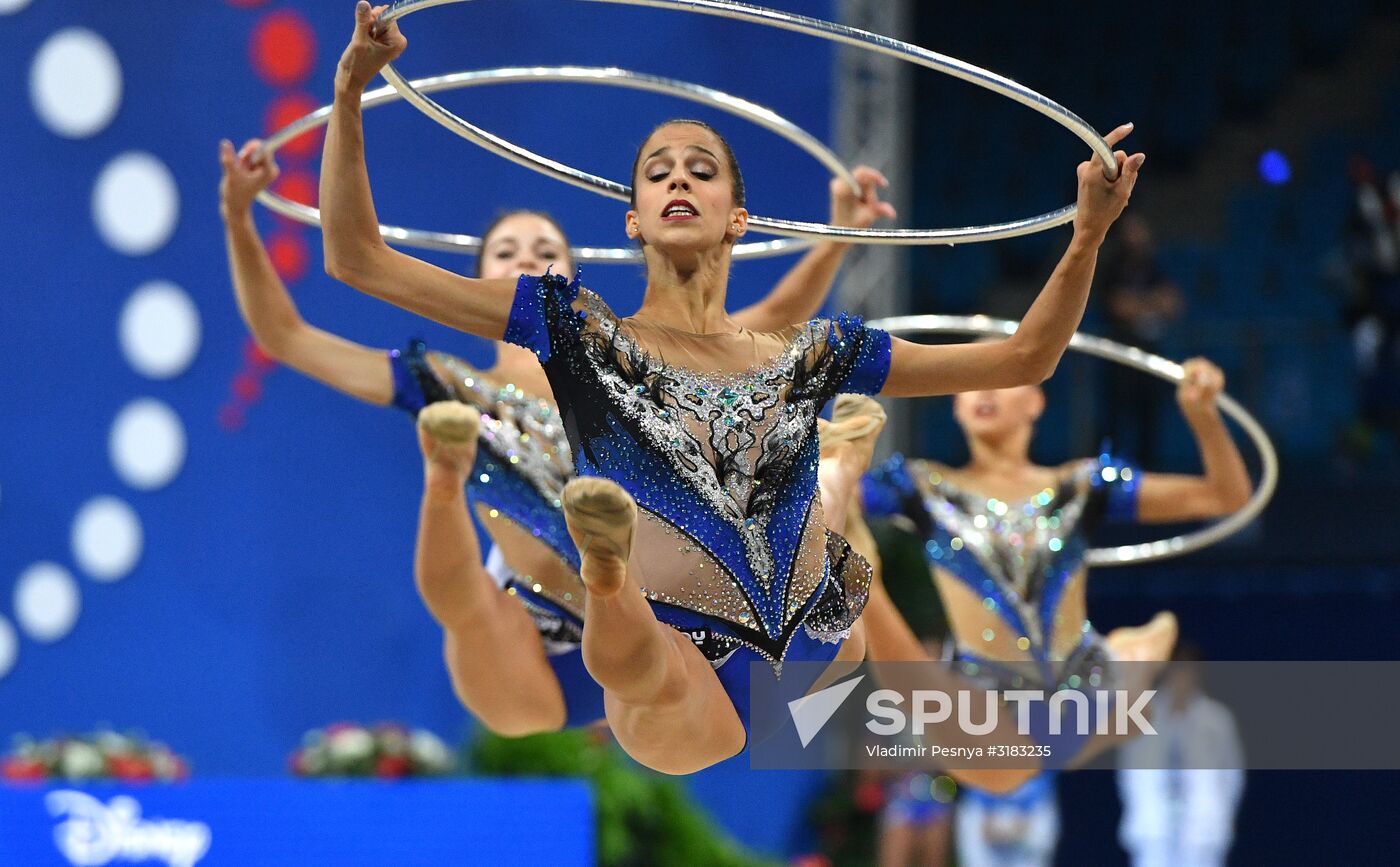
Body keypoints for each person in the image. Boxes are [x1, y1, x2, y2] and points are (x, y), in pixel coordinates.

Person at [317, 2, 1142, 776]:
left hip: (817, 656)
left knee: (813, 651)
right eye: (658, 172)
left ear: (739, 217)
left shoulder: (810, 349)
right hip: (669, 656)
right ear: (633, 219)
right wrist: (351, 92)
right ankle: (608, 573)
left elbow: (1025, 357)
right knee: (663, 688)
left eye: (701, 170)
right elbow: (357, 257)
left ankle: (837, 478)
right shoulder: (577, 332)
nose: (679, 179)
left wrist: (1088, 234)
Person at [219, 122, 894, 736]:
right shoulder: (448, 385)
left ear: (567, 276)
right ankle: (445, 478)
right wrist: (239, 218)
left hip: (667, 625)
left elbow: (771, 324)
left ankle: (833, 473)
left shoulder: (626, 363)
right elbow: (284, 335)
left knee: (792, 637)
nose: (523, 258)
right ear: (480, 275)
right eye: (505, 250)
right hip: (533, 646)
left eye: (543, 250)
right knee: (501, 666)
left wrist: (839, 235)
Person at [858, 355, 1252, 773]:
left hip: (1083, 692)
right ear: (955, 404)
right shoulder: (922, 487)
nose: (985, 391)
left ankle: (1132, 659)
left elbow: (1225, 497)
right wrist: (838, 452)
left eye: (1004, 378)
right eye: (971, 379)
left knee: (1142, 648)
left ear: (1036, 402)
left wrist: (1204, 417)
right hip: (985, 710)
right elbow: (826, 504)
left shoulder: (1082, 486)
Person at [1116, 642, 1245, 867]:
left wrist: (1221, 815)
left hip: (1202, 829)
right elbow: (1127, 772)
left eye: (1189, 670)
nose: (1182, 677)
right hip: (1153, 826)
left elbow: (1232, 776)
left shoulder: (1217, 720)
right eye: (1177, 669)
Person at [1097, 214, 1182, 464]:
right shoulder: (1113, 266)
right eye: (1132, 230)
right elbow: (1118, 305)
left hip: (1151, 350)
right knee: (1114, 417)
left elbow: (1173, 302)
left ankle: (1150, 473)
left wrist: (1139, 304)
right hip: (1119, 351)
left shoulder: (1154, 265)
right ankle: (1106, 471)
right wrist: (1152, 302)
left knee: (1150, 418)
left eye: (1141, 230)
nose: (1137, 236)